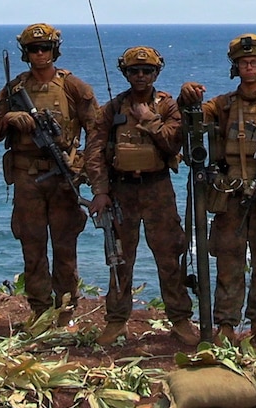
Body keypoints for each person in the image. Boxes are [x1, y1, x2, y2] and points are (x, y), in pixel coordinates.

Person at [177, 33, 256, 345]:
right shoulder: (222, 105)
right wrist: (186, 96)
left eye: (254, 62)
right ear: (235, 67)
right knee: (229, 261)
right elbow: (191, 118)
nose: (249, 67)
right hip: (229, 194)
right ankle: (227, 325)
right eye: (243, 62)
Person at [84, 46, 200, 346]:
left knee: (169, 255)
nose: (140, 76)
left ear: (156, 73)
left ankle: (180, 319)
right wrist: (100, 191)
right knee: (119, 256)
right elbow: (94, 149)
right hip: (122, 190)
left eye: (146, 71)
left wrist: (149, 119)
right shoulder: (112, 108)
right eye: (134, 71)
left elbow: (174, 145)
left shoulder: (167, 106)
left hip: (157, 188)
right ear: (125, 73)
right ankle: (117, 320)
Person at [0, 23, 100, 323]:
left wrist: (83, 166)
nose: (40, 54)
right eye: (34, 49)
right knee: (32, 247)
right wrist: (10, 118)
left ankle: (66, 311)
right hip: (27, 178)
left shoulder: (74, 87)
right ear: (25, 53)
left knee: (65, 248)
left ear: (54, 50)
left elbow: (97, 132)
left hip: (62, 178)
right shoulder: (15, 90)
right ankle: (39, 311)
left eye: (45, 48)